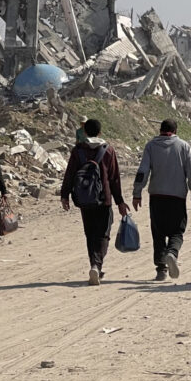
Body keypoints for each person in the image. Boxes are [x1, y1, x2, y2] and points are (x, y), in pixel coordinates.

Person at [60, 119, 127, 286]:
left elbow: (69, 174)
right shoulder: (108, 151)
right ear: (100, 132)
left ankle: (94, 264)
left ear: (85, 132)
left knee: (90, 233)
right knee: (103, 234)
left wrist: (64, 195)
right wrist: (120, 201)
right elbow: (114, 178)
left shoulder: (78, 151)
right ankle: (97, 265)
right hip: (104, 199)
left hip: (84, 199)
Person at [133, 119, 191, 281]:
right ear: (175, 131)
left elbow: (142, 171)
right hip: (177, 197)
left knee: (158, 232)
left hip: (156, 196)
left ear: (160, 130)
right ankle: (172, 253)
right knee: (177, 231)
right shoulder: (184, 147)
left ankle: (161, 269)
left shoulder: (151, 146)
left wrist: (137, 193)